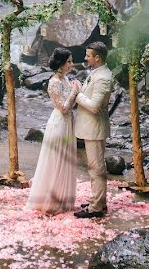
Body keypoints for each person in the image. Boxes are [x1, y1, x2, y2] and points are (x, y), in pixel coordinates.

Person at [25, 48, 81, 214]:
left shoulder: (65, 78)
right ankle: (52, 200)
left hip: (68, 122)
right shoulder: (54, 82)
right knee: (57, 159)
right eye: (69, 61)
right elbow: (63, 108)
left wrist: (76, 92)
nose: (72, 64)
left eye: (71, 61)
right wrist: (74, 91)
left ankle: (64, 199)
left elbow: (71, 104)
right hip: (59, 123)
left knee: (66, 159)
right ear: (61, 64)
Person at [73, 41, 113, 218]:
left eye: (88, 55)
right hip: (91, 127)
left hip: (94, 128)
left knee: (96, 168)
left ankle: (96, 207)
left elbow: (95, 106)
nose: (85, 58)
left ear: (97, 58)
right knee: (95, 167)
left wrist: (77, 94)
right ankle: (98, 201)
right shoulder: (96, 72)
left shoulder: (103, 77)